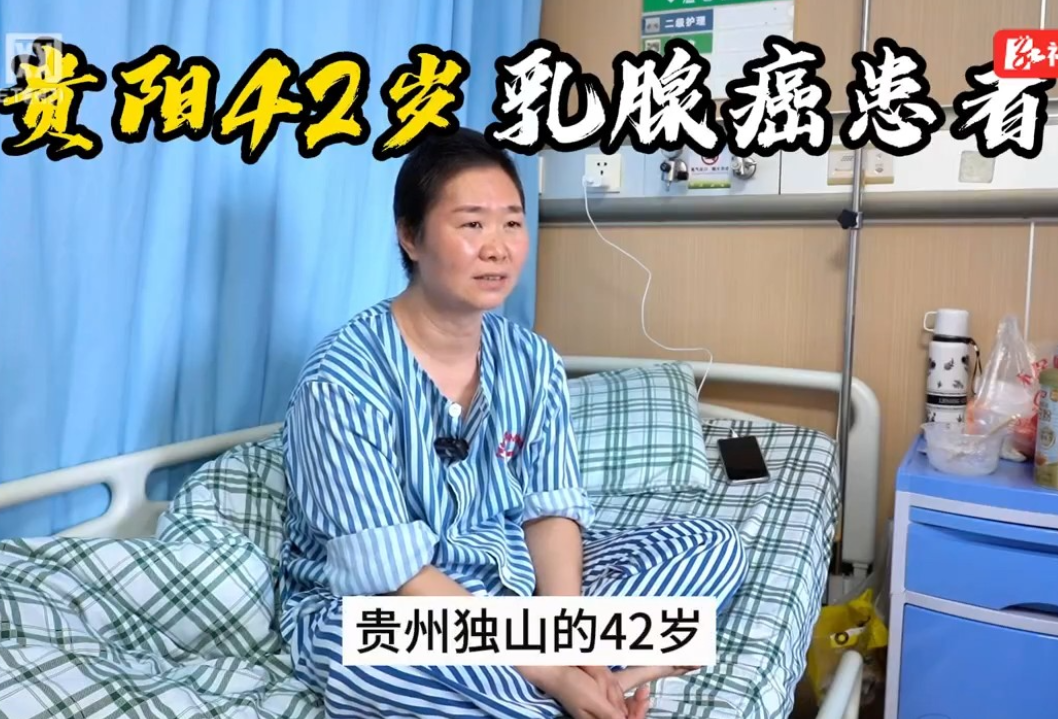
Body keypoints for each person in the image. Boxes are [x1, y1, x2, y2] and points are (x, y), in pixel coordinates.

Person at [277, 127, 748, 719]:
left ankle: (584, 687)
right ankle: (590, 689)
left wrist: (567, 641)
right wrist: (553, 672)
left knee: (713, 546)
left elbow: (550, 511)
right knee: (375, 667)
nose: (497, 248)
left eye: (512, 223)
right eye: (472, 224)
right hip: (394, 606)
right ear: (410, 236)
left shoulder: (531, 360)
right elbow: (392, 573)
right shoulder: (342, 379)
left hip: (514, 592)